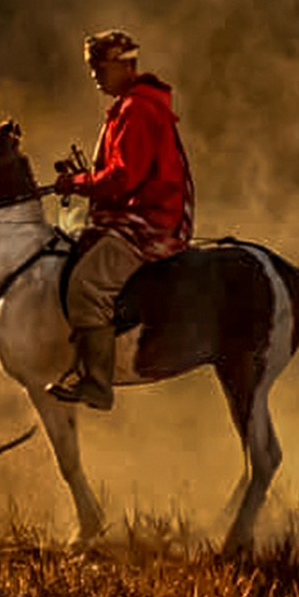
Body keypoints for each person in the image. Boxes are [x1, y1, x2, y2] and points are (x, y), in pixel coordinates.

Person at [47, 29, 194, 409]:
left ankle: (97, 383)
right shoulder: (129, 106)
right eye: (92, 67)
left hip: (150, 221)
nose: (95, 73)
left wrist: (77, 183)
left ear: (127, 65)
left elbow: (123, 178)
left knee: (86, 286)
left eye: (101, 66)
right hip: (140, 214)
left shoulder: (137, 110)